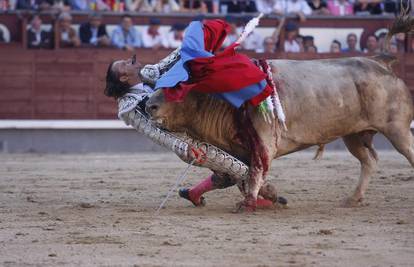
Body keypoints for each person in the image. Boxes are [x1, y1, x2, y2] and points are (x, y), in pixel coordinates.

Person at [105, 18, 275, 207]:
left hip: (198, 127)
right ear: (123, 77)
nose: (130, 60)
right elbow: (155, 132)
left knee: (228, 168)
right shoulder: (129, 106)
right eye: (124, 64)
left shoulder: (149, 74)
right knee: (239, 168)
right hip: (188, 142)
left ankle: (195, 193)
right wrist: (184, 147)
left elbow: (174, 61)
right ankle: (262, 194)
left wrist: (194, 44)